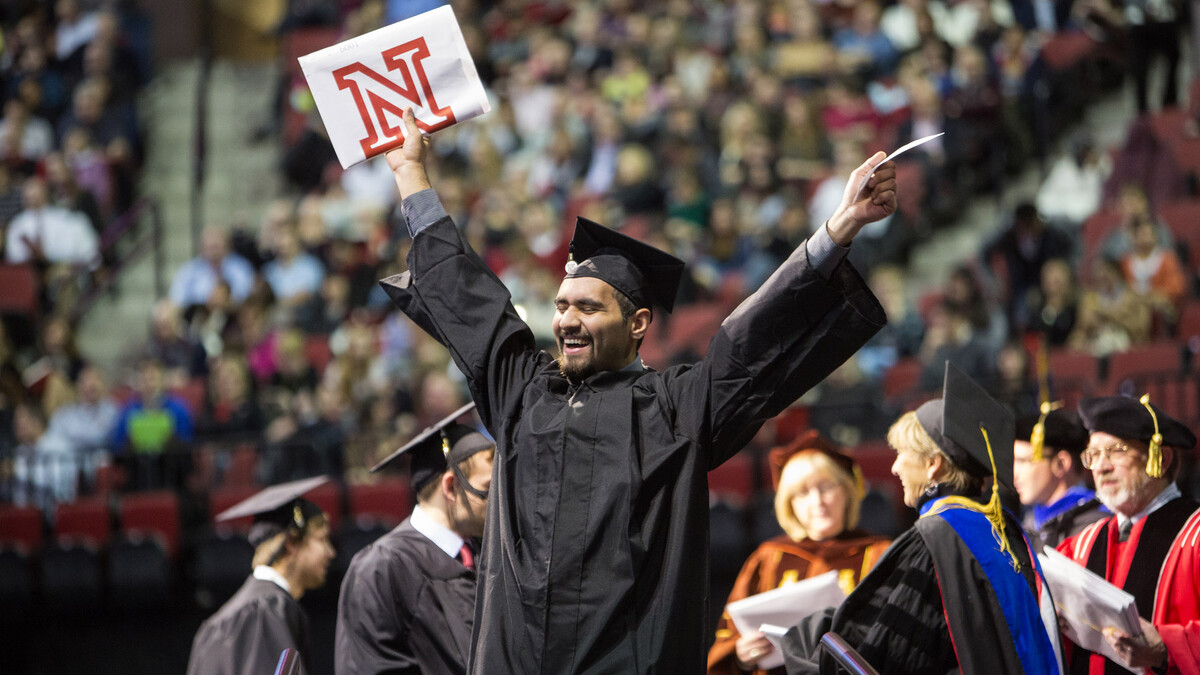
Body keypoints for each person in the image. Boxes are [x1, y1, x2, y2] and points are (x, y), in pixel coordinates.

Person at [381, 109, 895, 673]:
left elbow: (748, 346)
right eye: (560, 306)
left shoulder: (674, 410)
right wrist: (411, 174)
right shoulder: (523, 393)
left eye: (588, 307)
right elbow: (472, 306)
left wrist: (836, 230)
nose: (567, 320)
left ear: (637, 323)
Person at [782, 363, 1063, 675]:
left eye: (902, 454)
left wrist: (804, 637)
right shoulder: (1000, 526)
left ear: (932, 465)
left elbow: (885, 653)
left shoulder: (934, 538)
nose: (895, 467)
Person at [707, 431, 892, 674]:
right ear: (789, 504)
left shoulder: (880, 553)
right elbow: (728, 639)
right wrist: (741, 656)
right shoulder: (769, 557)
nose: (817, 502)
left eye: (826, 488)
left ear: (846, 492)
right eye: (803, 493)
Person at [336, 403, 495, 674]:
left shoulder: (485, 554)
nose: (498, 501)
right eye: (488, 489)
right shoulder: (382, 568)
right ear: (451, 487)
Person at [1056, 395, 1199, 674]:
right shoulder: (1081, 546)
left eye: (1116, 451)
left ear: (1162, 458)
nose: (1101, 467)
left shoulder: (1193, 536)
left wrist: (1164, 649)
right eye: (1093, 455)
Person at [186, 476, 336, 675]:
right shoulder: (268, 610)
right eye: (322, 539)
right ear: (291, 543)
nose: (330, 552)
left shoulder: (221, 621)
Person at [1013, 407, 1106, 549]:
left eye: (1023, 461)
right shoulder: (1029, 525)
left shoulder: (1096, 526)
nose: (1014, 473)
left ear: (1061, 463)